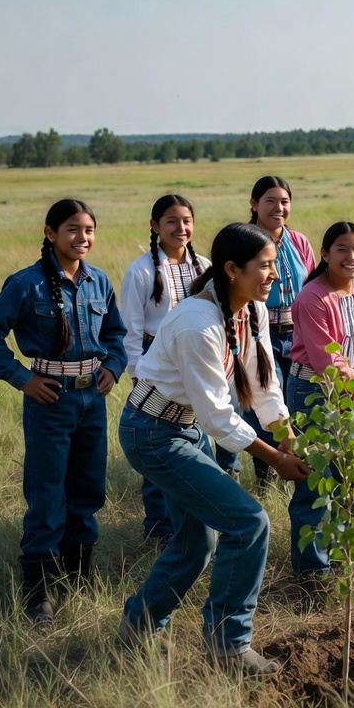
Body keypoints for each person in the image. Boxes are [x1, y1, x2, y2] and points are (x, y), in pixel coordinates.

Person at [117, 223, 310, 676]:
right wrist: (276, 459)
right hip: (152, 432)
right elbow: (219, 418)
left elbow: (263, 382)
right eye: (264, 267)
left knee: (195, 540)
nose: (274, 277)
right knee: (248, 521)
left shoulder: (250, 311)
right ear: (231, 269)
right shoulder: (196, 323)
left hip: (183, 428)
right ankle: (229, 644)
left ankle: (138, 626)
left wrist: (287, 435)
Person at [0, 199, 127, 624]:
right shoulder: (26, 284)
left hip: (92, 399)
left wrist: (113, 367)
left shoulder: (99, 282)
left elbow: (116, 334)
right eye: (73, 230)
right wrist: (23, 379)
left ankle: (78, 579)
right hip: (50, 399)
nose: (83, 238)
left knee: (89, 489)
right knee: (47, 493)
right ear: (50, 233)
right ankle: (38, 593)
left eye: (89, 230)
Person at [286, 222, 354, 578]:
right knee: (316, 480)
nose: (351, 257)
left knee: (352, 478)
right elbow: (327, 361)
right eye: (342, 249)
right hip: (314, 392)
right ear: (325, 254)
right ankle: (311, 573)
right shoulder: (312, 297)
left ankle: (342, 556)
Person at [120, 195, 218, 543]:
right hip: (154, 359)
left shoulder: (204, 265)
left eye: (187, 220)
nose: (181, 228)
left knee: (195, 433)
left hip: (195, 356)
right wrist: (137, 376)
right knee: (159, 437)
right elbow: (130, 331)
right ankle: (160, 529)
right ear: (155, 226)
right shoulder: (142, 270)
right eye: (172, 221)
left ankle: (193, 521)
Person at [247, 175, 316, 486]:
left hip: (298, 334)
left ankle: (297, 469)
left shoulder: (299, 241)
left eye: (284, 201)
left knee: (297, 402)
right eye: (270, 201)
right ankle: (266, 478)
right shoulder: (246, 241)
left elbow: (313, 285)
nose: (279, 207)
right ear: (254, 204)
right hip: (259, 333)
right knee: (264, 400)